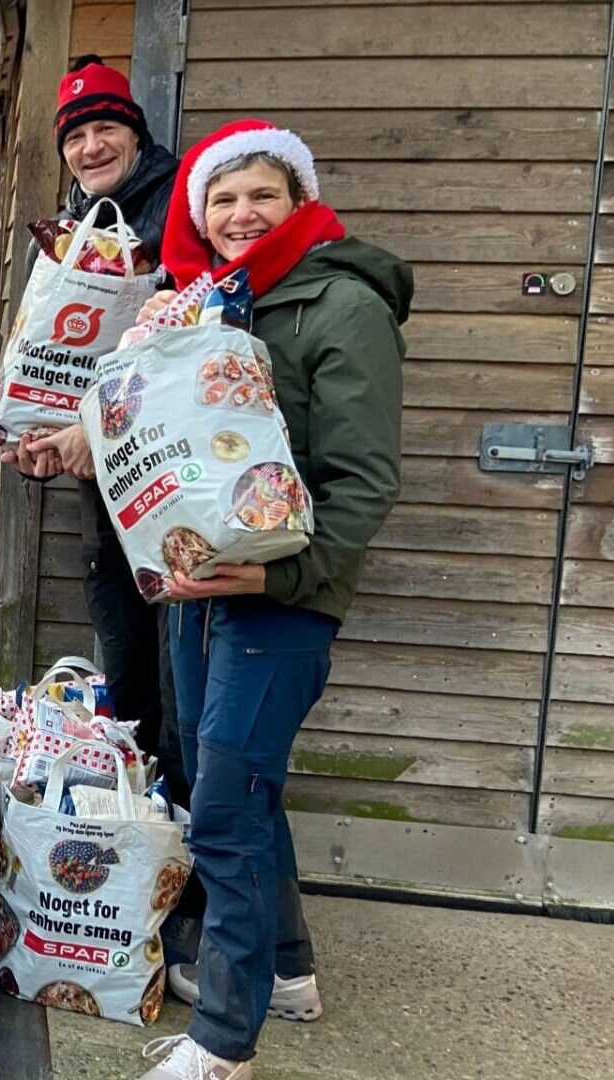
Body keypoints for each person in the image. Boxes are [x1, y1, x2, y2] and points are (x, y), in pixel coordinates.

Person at [137, 120, 409, 1080]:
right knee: (242, 786)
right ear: (200, 215)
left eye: (263, 194)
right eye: (223, 198)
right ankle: (287, 972)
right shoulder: (209, 304)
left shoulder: (340, 305)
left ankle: (222, 1042)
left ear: (299, 200)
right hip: (199, 592)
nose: (241, 213)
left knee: (224, 804)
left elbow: (363, 482)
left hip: (278, 599)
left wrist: (273, 576)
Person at [3, 53, 182, 769]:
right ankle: (136, 808)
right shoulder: (73, 225)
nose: (90, 147)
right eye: (76, 137)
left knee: (181, 659)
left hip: (168, 480)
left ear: (135, 134)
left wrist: (95, 429)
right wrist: (33, 429)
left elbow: (179, 358)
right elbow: (51, 352)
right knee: (123, 641)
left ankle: (186, 828)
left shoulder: (178, 208)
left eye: (105, 127)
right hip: (102, 483)